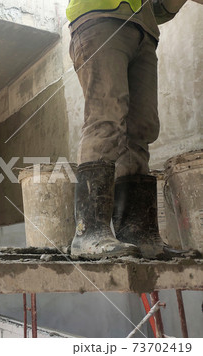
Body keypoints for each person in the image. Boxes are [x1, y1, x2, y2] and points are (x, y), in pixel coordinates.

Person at [66, 0, 189, 259]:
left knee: (141, 128)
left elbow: (157, 9)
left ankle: (138, 233)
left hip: (144, 30)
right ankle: (89, 232)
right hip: (99, 17)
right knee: (106, 117)